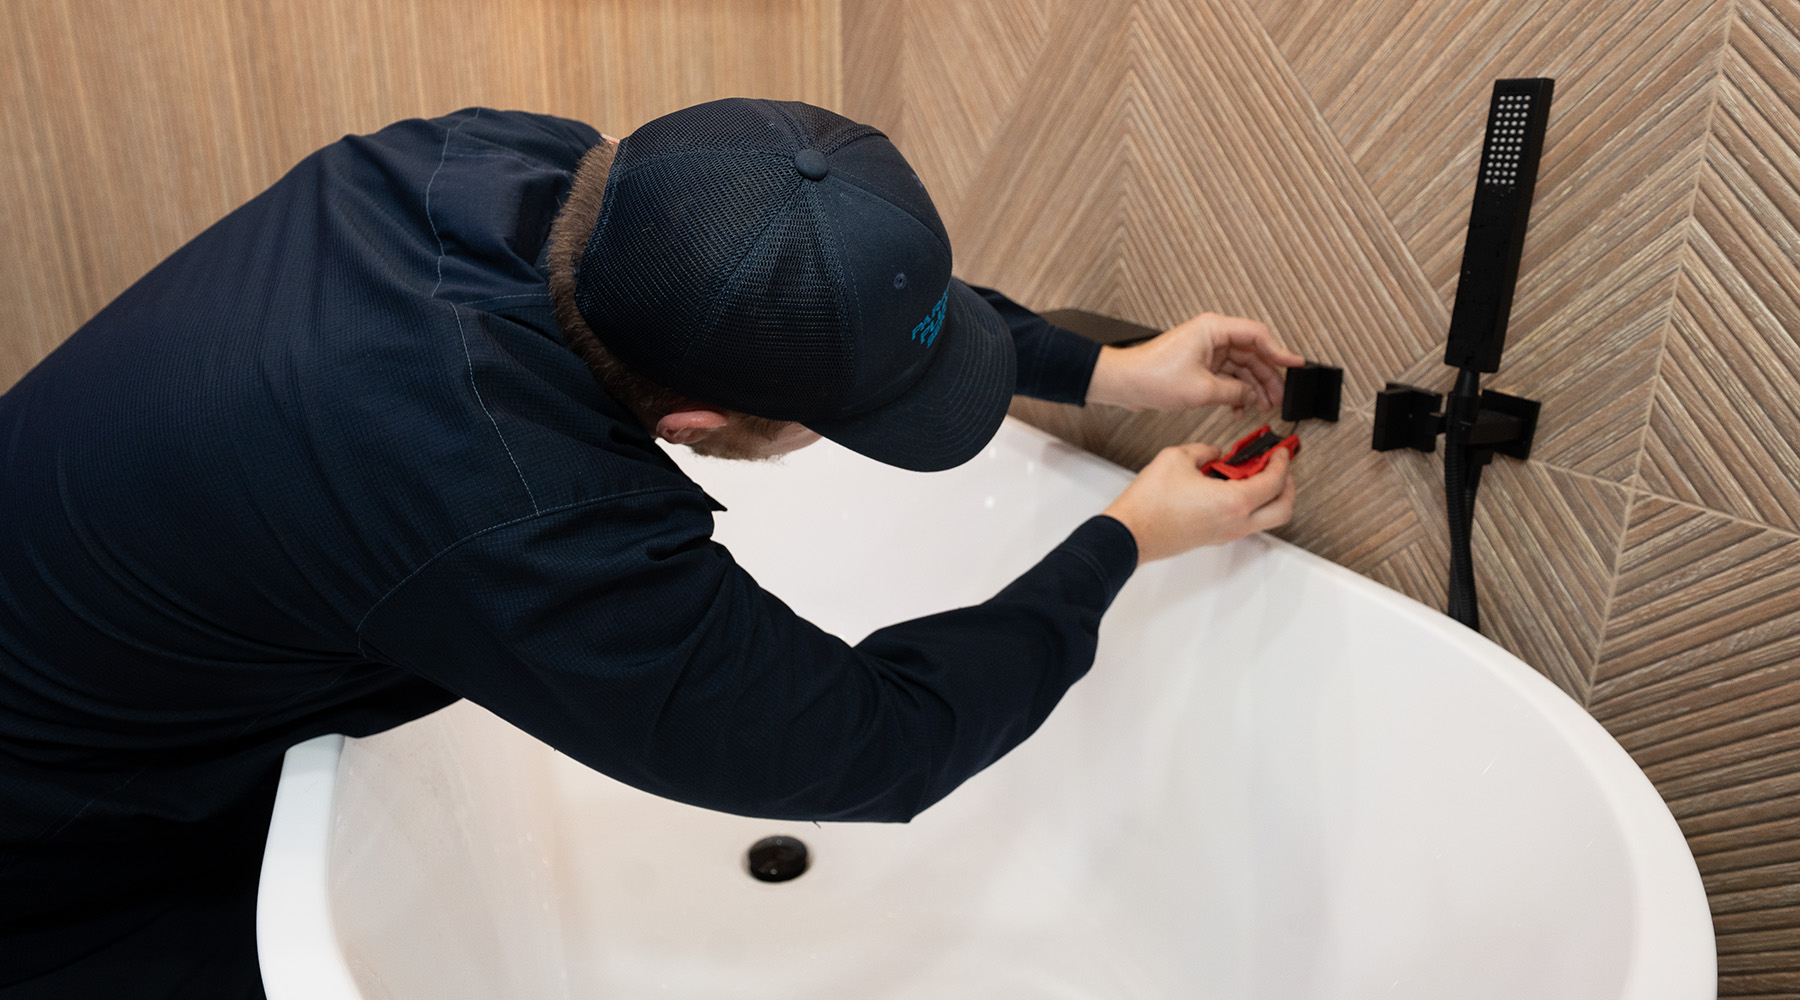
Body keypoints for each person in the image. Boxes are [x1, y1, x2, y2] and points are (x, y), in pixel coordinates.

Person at [0, 99, 1298, 996]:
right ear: (692, 425)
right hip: (56, 849)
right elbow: (873, 744)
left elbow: (821, 270)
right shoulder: (515, 502)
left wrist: (1103, 366)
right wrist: (1123, 541)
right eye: (836, 426)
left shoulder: (525, 174)